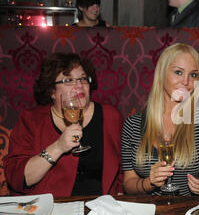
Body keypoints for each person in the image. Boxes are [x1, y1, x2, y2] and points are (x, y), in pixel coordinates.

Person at [4, 53, 123, 196]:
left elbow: (124, 168)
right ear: (52, 91)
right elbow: (17, 178)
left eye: (83, 79)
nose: (79, 85)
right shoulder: (31, 120)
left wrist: (119, 194)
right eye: (68, 80)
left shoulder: (111, 116)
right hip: (49, 210)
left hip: (99, 207)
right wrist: (58, 147)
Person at [121, 43, 199, 196]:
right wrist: (149, 182)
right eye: (178, 72)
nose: (186, 82)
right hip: (148, 213)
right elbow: (128, 183)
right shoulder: (133, 125)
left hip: (188, 211)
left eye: (193, 75)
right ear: (162, 74)